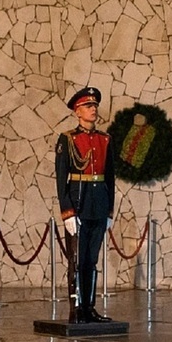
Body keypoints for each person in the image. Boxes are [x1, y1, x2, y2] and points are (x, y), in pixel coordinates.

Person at [55, 87, 116, 324]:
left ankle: (90, 307)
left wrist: (109, 210)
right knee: (77, 261)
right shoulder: (68, 140)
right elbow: (62, 179)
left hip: (98, 204)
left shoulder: (105, 139)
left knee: (92, 259)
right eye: (88, 106)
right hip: (78, 205)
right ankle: (77, 308)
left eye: (95, 106)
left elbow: (109, 178)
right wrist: (67, 212)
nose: (93, 110)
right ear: (77, 111)